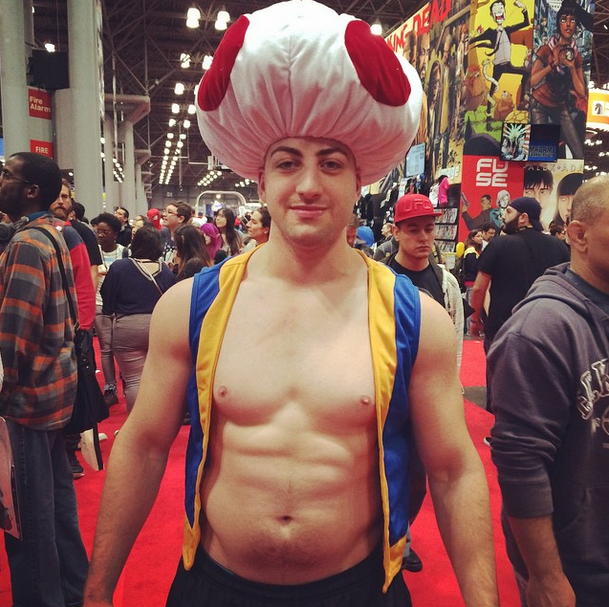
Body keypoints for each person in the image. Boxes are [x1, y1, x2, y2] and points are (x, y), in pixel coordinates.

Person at [84, 3, 498, 606]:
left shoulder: (415, 319)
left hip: (359, 590)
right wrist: (98, 591)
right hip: (214, 587)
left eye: (330, 163)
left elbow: (455, 469)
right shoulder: (192, 306)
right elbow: (143, 446)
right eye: (287, 162)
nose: (307, 185)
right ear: (261, 181)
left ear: (358, 181)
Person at [488, 175, 609, 606]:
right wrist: (546, 576)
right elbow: (521, 463)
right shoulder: (538, 331)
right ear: (578, 235)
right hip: (578, 567)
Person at [0, 152, 88, 607]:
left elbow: (14, 334)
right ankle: (74, 592)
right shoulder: (52, 234)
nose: (1, 181)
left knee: (28, 517)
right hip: (55, 391)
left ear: (31, 190)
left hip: (28, 401)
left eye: (6, 175)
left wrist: (3, 392)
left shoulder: (26, 244)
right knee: (57, 506)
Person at [381, 192, 464, 575]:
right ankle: (387, 540)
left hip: (429, 393)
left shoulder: (445, 282)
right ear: (397, 232)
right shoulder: (379, 279)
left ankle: (403, 535)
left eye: (429, 229)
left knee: (418, 478)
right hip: (386, 391)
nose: (424, 237)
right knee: (381, 469)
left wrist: (452, 387)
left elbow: (455, 335)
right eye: (413, 229)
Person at [469, 196, 570, 410]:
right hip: (547, 327)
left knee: (499, 383)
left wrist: (476, 319)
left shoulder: (499, 244)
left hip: (504, 325)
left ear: (523, 217)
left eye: (508, 212)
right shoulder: (559, 247)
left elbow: (479, 288)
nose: (503, 217)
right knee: (541, 386)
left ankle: (498, 423)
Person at [49, 182, 97, 478]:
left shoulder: (72, 234)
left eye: (65, 196)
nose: (61, 201)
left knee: (73, 393)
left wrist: (84, 326)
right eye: (57, 195)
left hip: (71, 330)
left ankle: (68, 451)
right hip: (44, 330)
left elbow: (85, 282)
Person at [100, 225, 175, 414]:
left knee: (134, 380)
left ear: (135, 243)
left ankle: (136, 424)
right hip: (159, 327)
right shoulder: (165, 270)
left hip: (128, 327)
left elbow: (107, 299)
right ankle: (157, 419)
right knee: (158, 378)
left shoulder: (120, 267)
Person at [529, 0, 591, 160]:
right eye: (564, 19)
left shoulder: (576, 55)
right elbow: (532, 81)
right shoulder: (546, 49)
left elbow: (581, 91)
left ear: (577, 25)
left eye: (573, 20)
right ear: (558, 24)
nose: (568, 24)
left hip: (560, 106)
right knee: (542, 156)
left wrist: (572, 68)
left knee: (578, 154)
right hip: (540, 104)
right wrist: (553, 64)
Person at [92, 213, 128, 407]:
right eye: (98, 231)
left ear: (115, 233)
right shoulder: (93, 252)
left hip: (121, 305)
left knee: (123, 348)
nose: (100, 235)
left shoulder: (125, 252)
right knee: (106, 348)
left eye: (105, 232)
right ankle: (110, 388)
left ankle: (128, 383)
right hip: (99, 303)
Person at [462, 229, 483, 335]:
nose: (480, 238)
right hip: (472, 282)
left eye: (481, 236)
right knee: (472, 306)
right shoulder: (471, 252)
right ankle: (470, 331)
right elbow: (471, 268)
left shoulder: (473, 250)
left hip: (471, 282)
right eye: (478, 236)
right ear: (472, 238)